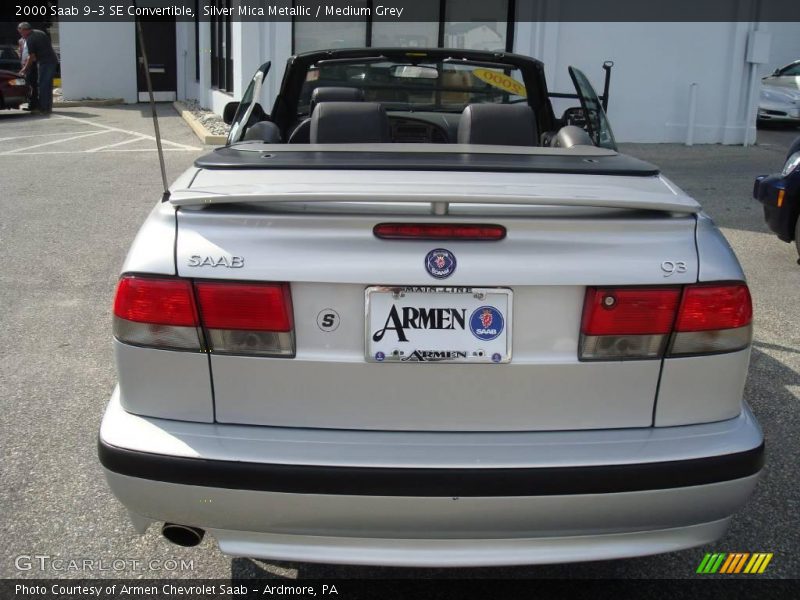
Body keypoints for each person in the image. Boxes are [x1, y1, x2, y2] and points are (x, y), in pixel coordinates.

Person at [17, 22, 58, 115]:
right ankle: (47, 107)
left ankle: (43, 108)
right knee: (46, 85)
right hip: (50, 60)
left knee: (43, 85)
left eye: (21, 32)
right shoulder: (39, 32)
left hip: (45, 62)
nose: (21, 34)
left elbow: (31, 56)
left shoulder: (30, 39)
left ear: (25, 30)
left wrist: (24, 69)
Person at [18, 32, 38, 112]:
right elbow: (21, 51)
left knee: (33, 85)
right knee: (28, 85)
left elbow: (33, 54)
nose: (22, 33)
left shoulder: (32, 40)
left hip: (32, 64)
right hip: (24, 64)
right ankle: (31, 104)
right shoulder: (21, 41)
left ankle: (33, 105)